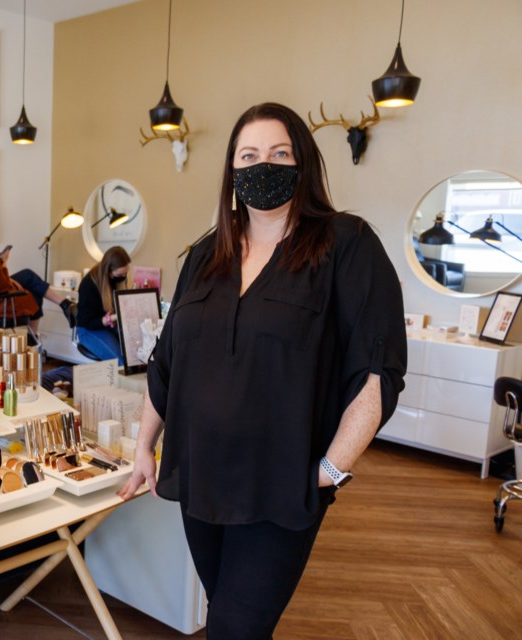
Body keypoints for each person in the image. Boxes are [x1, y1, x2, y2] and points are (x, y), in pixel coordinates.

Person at [119, 103, 406, 639]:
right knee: (228, 615)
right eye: (248, 156)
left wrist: (330, 471)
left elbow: (376, 372)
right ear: (232, 169)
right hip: (201, 478)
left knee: (234, 630)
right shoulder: (206, 254)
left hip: (282, 488)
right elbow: (167, 363)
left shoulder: (347, 246)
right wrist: (143, 447)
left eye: (279, 154)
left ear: (304, 164)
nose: (262, 167)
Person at [0, 208, 74, 335]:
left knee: (27, 275)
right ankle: (35, 334)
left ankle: (64, 305)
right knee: (35, 295)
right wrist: (3, 264)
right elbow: (2, 288)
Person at [75, 245, 131, 363]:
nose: (123, 278)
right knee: (120, 362)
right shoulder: (89, 286)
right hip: (88, 330)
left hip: (107, 327)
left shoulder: (115, 280)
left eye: (125, 274)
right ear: (109, 270)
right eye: (120, 275)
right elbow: (87, 322)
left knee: (134, 355)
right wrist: (113, 318)